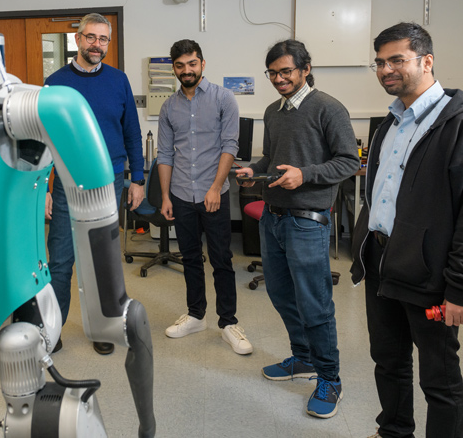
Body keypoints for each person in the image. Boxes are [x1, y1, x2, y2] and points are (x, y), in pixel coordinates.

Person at [235, 39, 358, 419]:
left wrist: (305, 175)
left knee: (315, 303)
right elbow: (273, 157)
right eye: (272, 73)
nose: (278, 79)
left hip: (307, 223)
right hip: (273, 218)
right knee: (282, 295)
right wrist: (253, 171)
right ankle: (303, 358)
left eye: (285, 71)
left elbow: (348, 162)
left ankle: (330, 378)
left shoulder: (328, 108)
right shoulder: (273, 111)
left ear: (305, 69)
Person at [351, 22, 463, 438]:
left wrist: (458, 288)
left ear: (426, 61)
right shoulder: (390, 123)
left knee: (440, 378)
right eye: (380, 62)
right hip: (382, 259)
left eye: (397, 60)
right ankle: (394, 431)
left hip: (429, 273)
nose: (386, 70)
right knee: (388, 360)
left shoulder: (455, 123)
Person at [45, 13, 144, 356]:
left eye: (103, 39)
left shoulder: (119, 81)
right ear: (78, 39)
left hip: (110, 180)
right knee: (60, 260)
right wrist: (45, 187)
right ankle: (52, 328)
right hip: (67, 184)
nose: (96, 45)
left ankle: (103, 327)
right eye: (91, 37)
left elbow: (132, 132)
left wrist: (139, 179)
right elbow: (43, 140)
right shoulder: (55, 82)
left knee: (101, 260)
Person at [157, 39, 252, 355]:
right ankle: (196, 314)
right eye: (181, 65)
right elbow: (165, 154)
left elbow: (230, 145)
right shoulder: (169, 107)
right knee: (190, 257)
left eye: (192, 63)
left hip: (215, 193)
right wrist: (167, 196)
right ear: (175, 68)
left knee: (222, 259)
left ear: (202, 64)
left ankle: (228, 323)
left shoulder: (224, 98)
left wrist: (215, 188)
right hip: (182, 193)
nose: (187, 70)